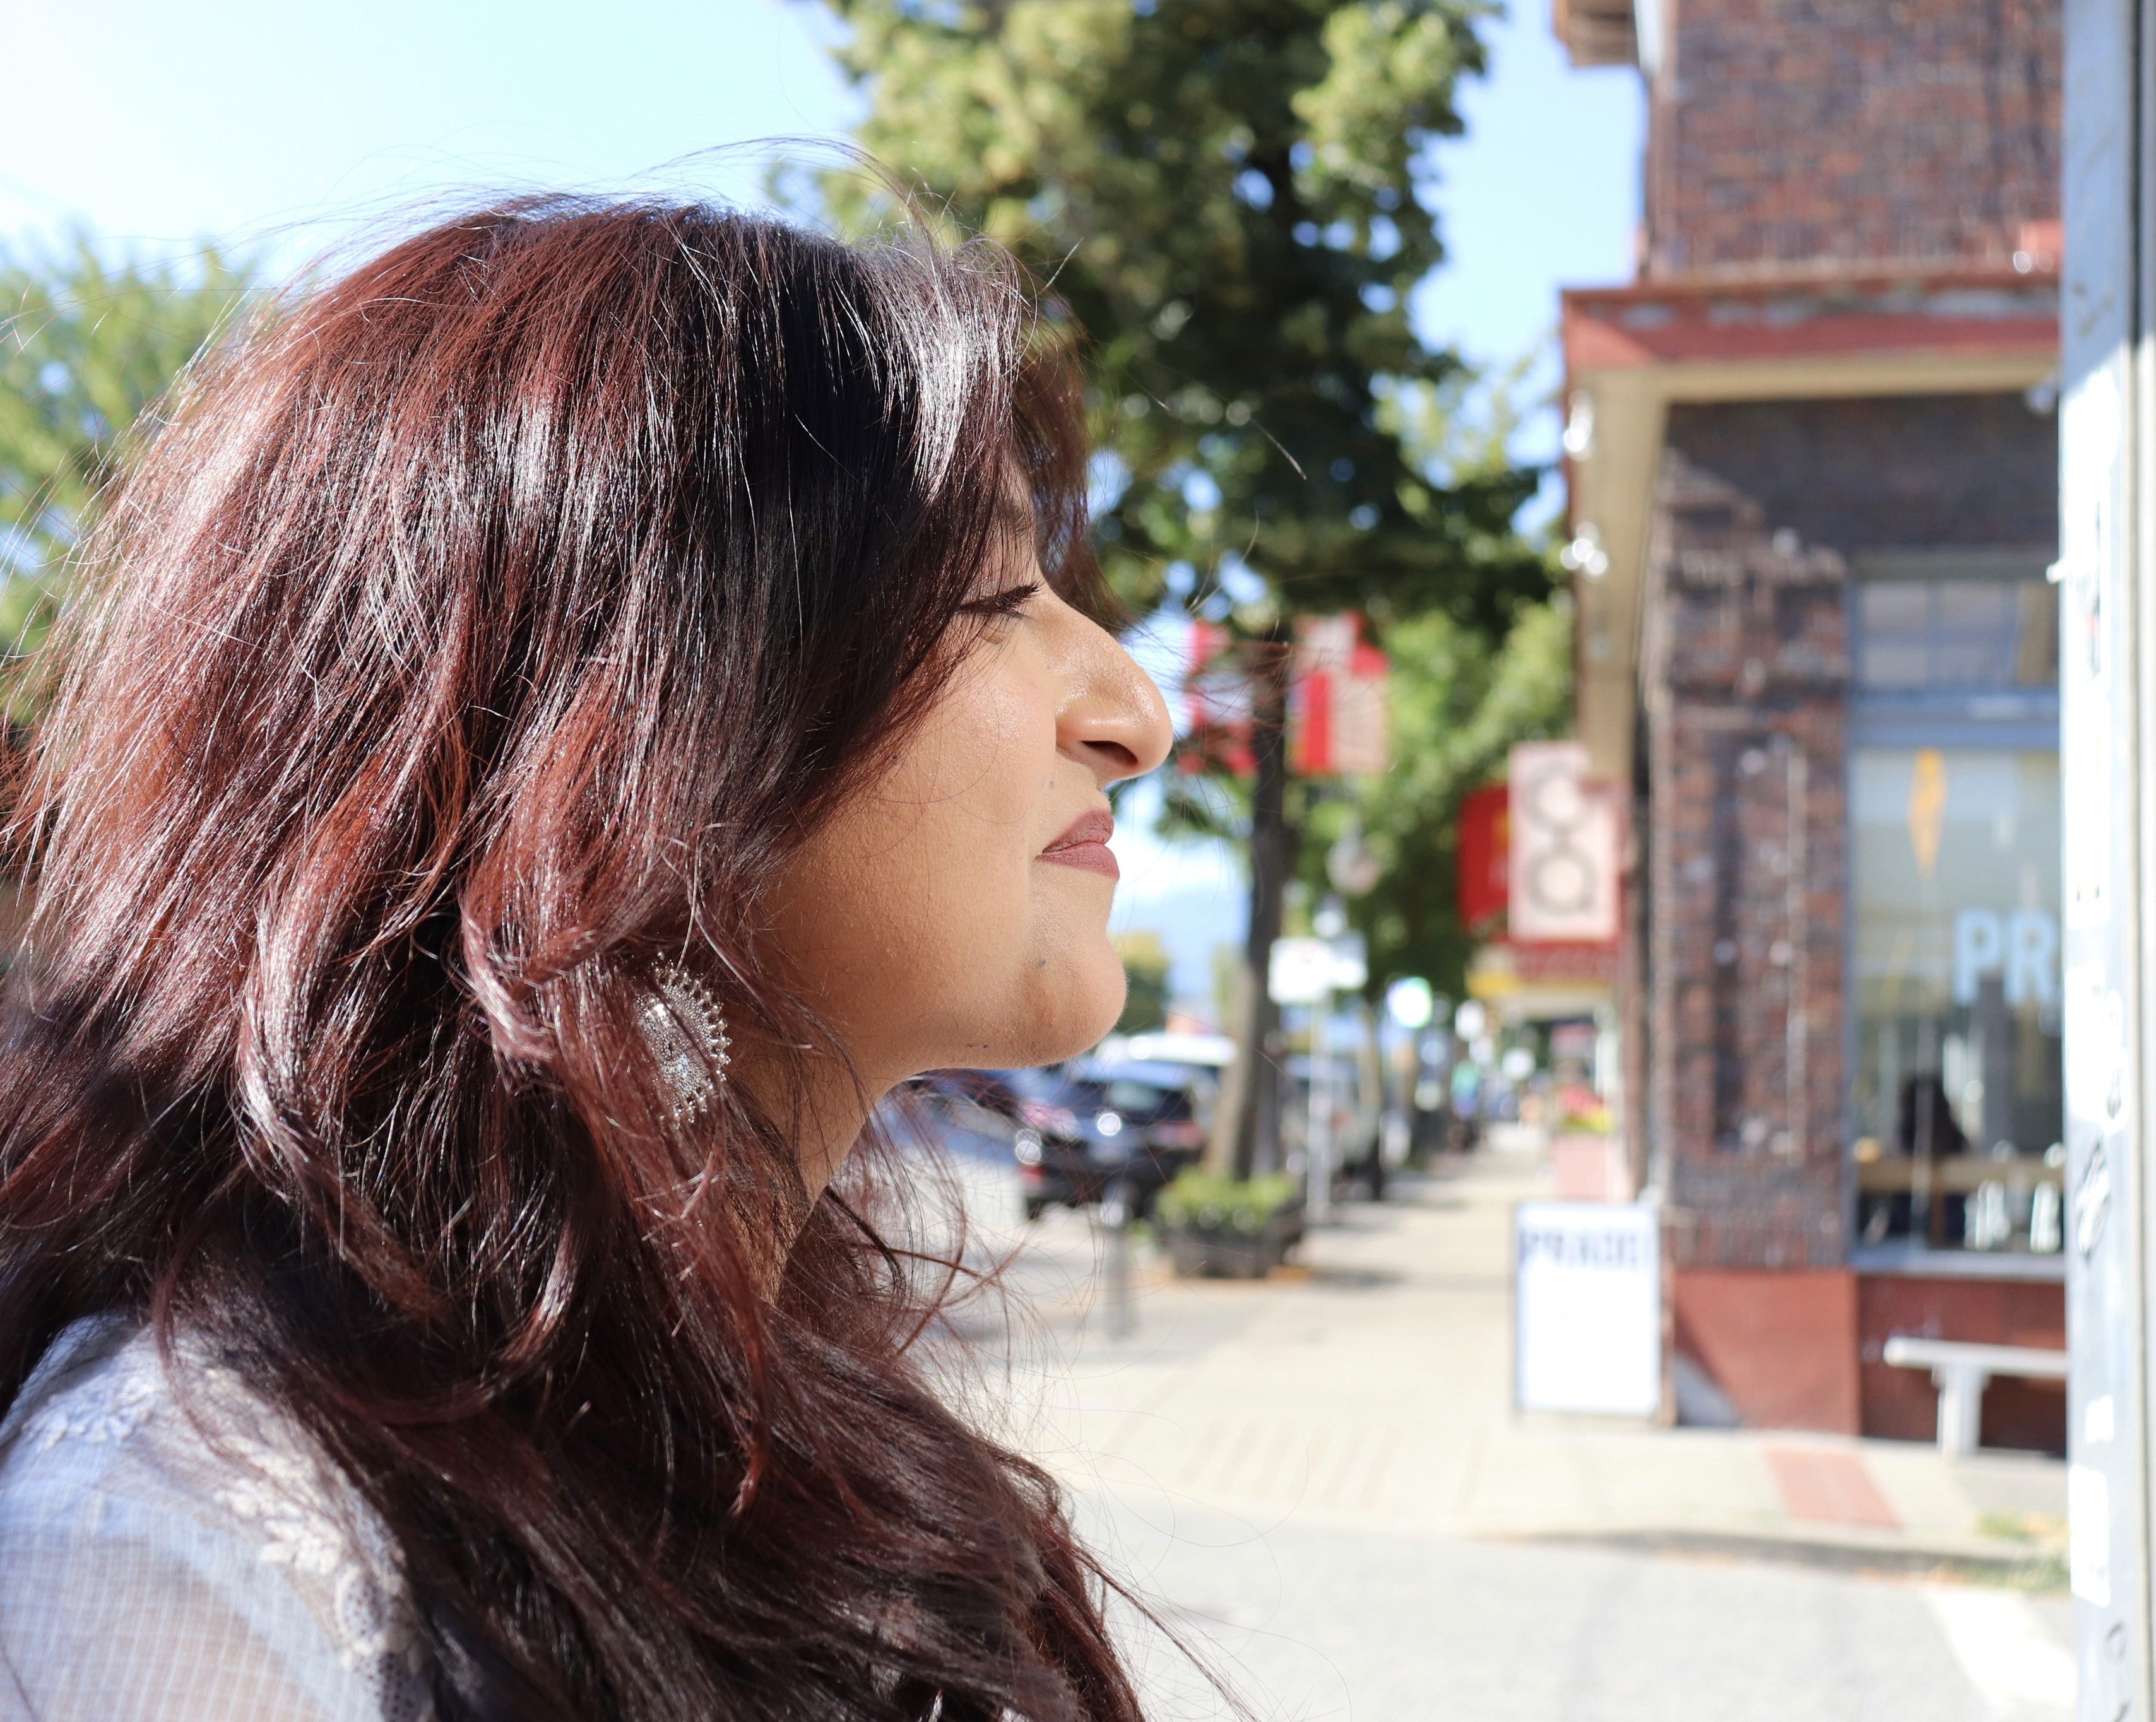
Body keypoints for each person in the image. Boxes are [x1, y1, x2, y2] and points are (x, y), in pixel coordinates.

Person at [0, 198, 1172, 1721]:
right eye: (995, 598)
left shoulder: (772, 1411)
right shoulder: (205, 1533)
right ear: (635, 723)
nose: (1135, 714)